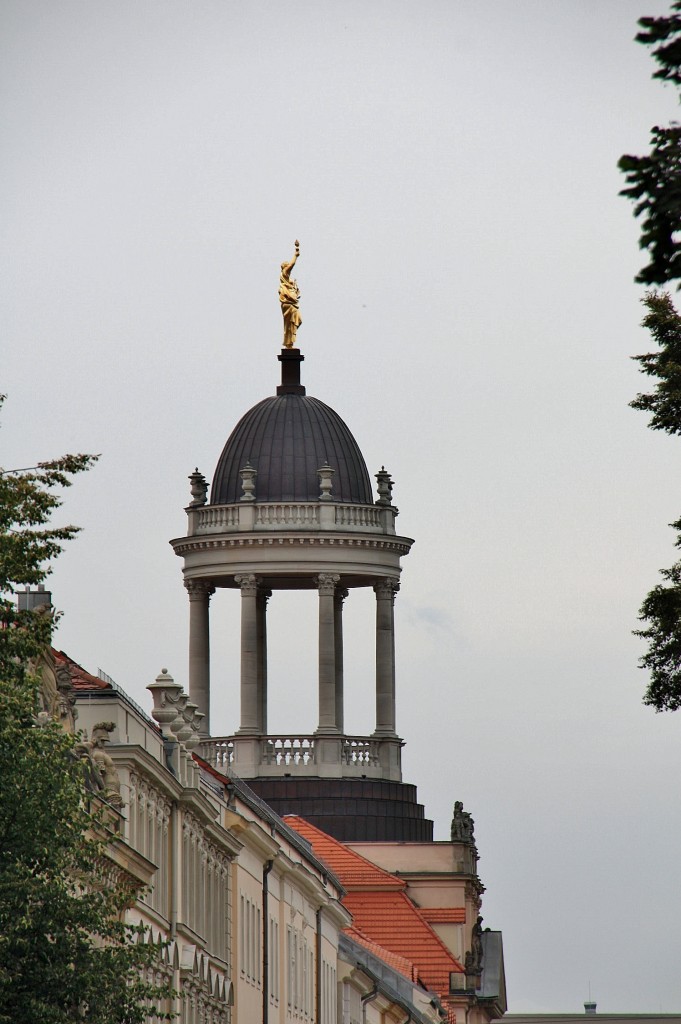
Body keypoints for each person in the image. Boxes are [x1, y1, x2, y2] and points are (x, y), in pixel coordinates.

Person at [279, 240, 302, 348]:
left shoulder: (288, 282)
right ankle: (289, 344)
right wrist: (296, 255)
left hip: (293, 303)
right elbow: (292, 264)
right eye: (287, 266)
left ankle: (290, 342)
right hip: (288, 304)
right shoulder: (284, 274)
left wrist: (295, 290)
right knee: (289, 324)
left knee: (297, 321)